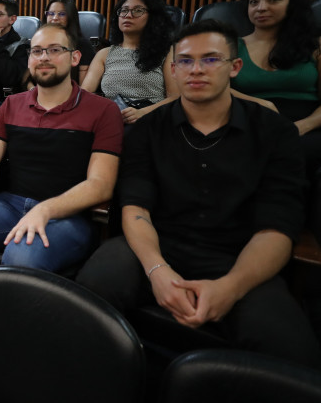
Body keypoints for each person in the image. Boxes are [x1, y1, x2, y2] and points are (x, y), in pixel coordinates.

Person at [76, 20, 321, 368]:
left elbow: (277, 226)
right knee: (88, 297)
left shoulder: (274, 131)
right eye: (186, 61)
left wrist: (231, 287)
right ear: (173, 69)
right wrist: (158, 271)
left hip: (241, 255)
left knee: (293, 353)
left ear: (234, 67)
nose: (196, 70)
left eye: (210, 59)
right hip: (155, 245)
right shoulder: (147, 130)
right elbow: (135, 208)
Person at [0, 23, 122, 280]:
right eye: (36, 51)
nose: (44, 57)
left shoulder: (103, 110)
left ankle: (8, 307)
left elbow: (101, 184)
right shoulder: (12, 104)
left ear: (75, 57)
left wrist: (44, 210)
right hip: (11, 204)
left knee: (21, 255)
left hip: (68, 215)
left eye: (54, 50)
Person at [230, 0, 321, 177]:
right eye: (254, 1)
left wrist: (300, 127)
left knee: (291, 151)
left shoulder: (316, 46)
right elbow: (215, 86)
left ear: (292, 3)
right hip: (250, 120)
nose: (261, 7)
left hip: (308, 125)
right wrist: (258, 103)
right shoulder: (231, 46)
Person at [83, 0, 177, 124]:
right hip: (110, 120)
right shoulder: (104, 54)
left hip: (151, 120)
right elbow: (85, 93)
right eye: (124, 10)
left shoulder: (166, 52)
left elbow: (175, 97)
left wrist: (142, 113)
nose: (128, 15)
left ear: (152, 17)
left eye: (138, 10)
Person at [40, 0, 95, 84]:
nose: (55, 18)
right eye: (51, 13)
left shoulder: (83, 45)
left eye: (62, 14)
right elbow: (28, 77)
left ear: (70, 17)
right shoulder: (39, 42)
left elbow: (84, 89)